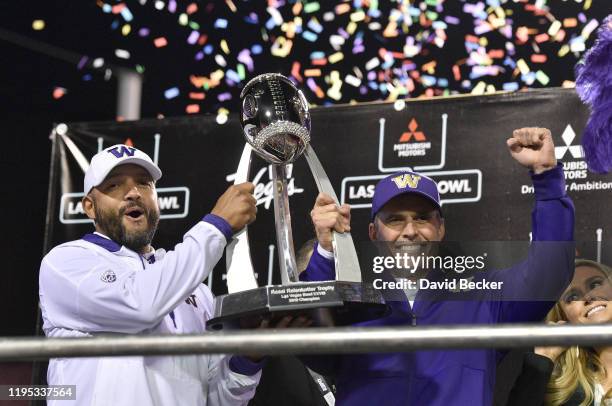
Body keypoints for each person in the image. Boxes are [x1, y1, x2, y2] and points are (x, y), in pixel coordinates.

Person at [300, 127, 576, 405]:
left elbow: (549, 273)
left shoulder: (483, 298)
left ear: (440, 229)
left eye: (422, 218)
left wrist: (546, 177)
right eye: (395, 220)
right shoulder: (355, 306)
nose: (410, 231)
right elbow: (309, 338)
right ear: (373, 233)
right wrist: (325, 249)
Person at [40, 144, 266, 406]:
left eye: (144, 183)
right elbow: (141, 306)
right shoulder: (66, 263)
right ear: (90, 207)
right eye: (114, 185)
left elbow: (217, 399)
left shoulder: (197, 291)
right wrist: (217, 227)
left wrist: (248, 357)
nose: (133, 193)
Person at [504, 259, 612, 406]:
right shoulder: (563, 393)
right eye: (572, 297)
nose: (587, 297)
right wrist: (544, 356)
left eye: (596, 284)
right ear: (565, 318)